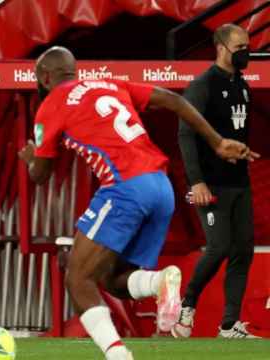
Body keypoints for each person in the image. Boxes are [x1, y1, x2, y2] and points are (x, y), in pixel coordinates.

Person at [18, 46, 257, 360]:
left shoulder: (51, 104)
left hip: (124, 188)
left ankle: (118, 355)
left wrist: (31, 158)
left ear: (44, 77)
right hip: (161, 188)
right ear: (73, 70)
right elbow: (175, 100)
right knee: (109, 280)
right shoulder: (110, 84)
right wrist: (217, 141)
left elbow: (41, 175)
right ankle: (160, 281)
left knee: (77, 279)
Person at [173, 24, 259, 339]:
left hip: (240, 183)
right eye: (239, 47)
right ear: (221, 47)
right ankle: (187, 306)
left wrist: (244, 151)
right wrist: (196, 181)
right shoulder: (203, 85)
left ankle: (228, 325)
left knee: (243, 250)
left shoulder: (244, 87)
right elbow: (185, 133)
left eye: (247, 46)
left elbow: (233, 133)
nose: (245, 53)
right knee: (219, 246)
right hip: (209, 185)